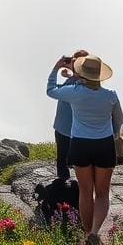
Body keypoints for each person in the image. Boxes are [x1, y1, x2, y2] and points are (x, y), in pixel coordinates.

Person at [47, 52, 123, 245]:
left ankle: (87, 232)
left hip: (80, 144)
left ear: (81, 73)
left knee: (85, 191)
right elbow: (119, 121)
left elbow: (51, 90)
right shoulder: (111, 96)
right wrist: (113, 135)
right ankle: (96, 232)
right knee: (103, 192)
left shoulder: (74, 92)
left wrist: (56, 68)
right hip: (104, 145)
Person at [51, 50, 83, 179]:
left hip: (66, 128)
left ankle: (65, 190)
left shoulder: (80, 83)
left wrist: (56, 68)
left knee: (65, 160)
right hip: (70, 127)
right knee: (68, 159)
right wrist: (70, 74)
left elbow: (52, 90)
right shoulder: (81, 80)